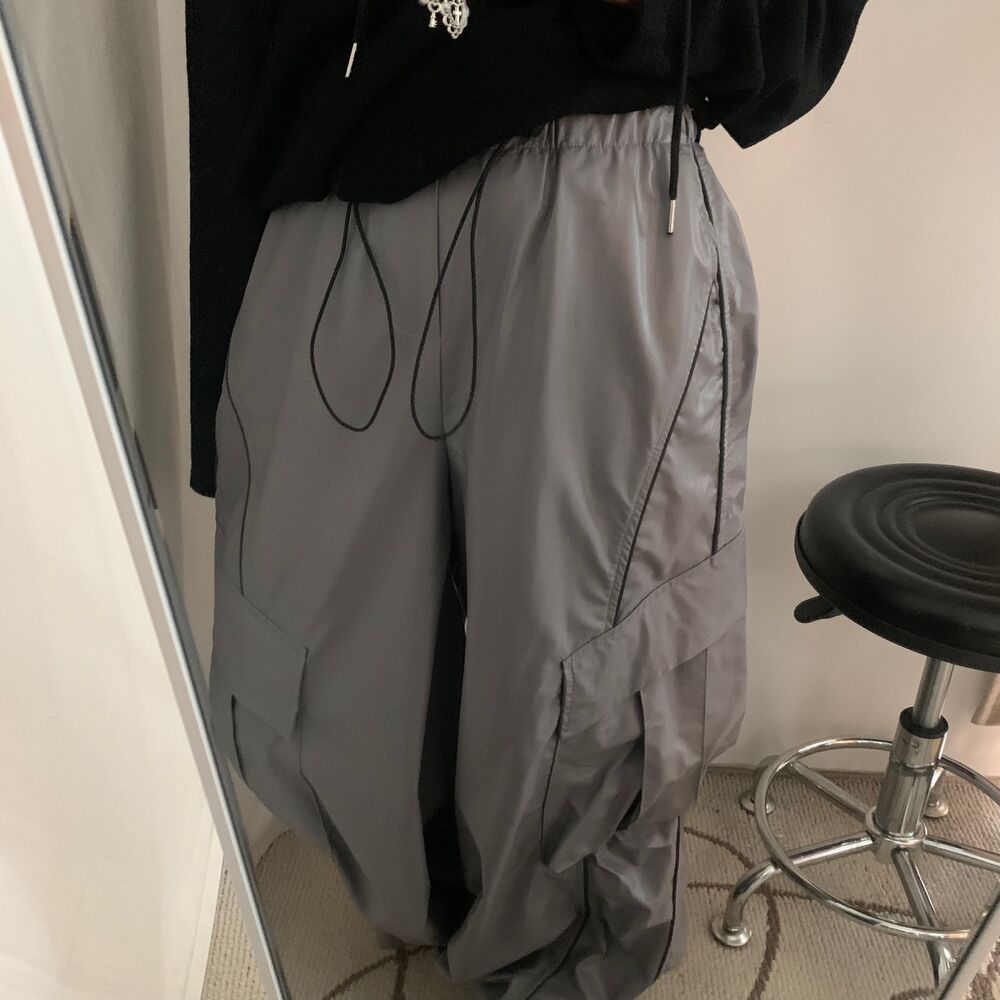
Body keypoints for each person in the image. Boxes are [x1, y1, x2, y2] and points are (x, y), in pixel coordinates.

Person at [187, 2, 870, 997]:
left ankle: (566, 970)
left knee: (589, 681)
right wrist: (215, 378)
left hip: (602, 186)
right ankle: (425, 913)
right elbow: (230, 42)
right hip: (332, 193)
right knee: (320, 683)